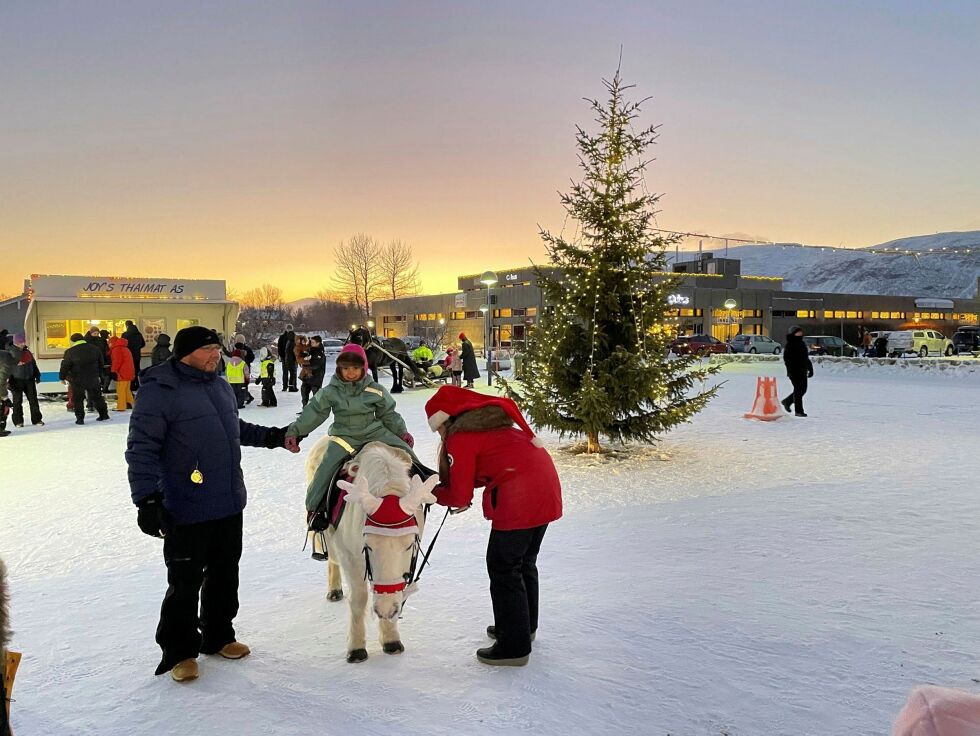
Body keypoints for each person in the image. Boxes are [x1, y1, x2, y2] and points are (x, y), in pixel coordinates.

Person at [125, 326, 299, 683]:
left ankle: (219, 635)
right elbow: (141, 448)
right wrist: (146, 500)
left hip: (227, 499)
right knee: (185, 583)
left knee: (225, 574)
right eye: (208, 350)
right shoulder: (161, 391)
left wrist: (272, 437)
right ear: (187, 352)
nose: (216, 356)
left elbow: (232, 428)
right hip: (184, 504)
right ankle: (180, 652)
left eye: (217, 349)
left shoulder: (219, 386)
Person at [423, 386, 562, 667]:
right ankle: (522, 627)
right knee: (523, 564)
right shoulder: (496, 428)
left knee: (503, 567)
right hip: (545, 493)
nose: (440, 435)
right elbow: (487, 466)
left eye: (438, 428)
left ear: (446, 420)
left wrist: (428, 492)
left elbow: (460, 495)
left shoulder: (462, 438)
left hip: (519, 500)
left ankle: (513, 646)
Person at [284, 344, 419, 516]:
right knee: (326, 467)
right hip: (344, 436)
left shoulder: (375, 389)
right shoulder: (330, 392)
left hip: (374, 432)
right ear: (339, 368)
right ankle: (314, 508)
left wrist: (402, 432)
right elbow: (315, 412)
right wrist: (295, 431)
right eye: (345, 368)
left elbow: (388, 413)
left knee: (405, 452)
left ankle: (422, 488)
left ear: (364, 367)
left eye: (356, 368)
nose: (351, 372)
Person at [59, 333, 109, 424]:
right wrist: (99, 374)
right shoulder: (95, 349)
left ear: (73, 341)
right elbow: (101, 363)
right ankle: (103, 415)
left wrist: (62, 377)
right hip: (92, 377)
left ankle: (80, 419)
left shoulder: (70, 352)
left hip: (77, 379)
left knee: (78, 399)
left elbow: (65, 366)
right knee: (97, 397)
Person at [8, 334, 43, 428]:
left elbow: (33, 364)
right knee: (17, 401)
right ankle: (18, 421)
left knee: (33, 400)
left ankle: (37, 419)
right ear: (15, 343)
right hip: (16, 380)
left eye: (23, 342)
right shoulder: (11, 352)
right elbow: (6, 367)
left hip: (29, 379)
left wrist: (37, 375)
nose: (23, 344)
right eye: (20, 342)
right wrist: (8, 381)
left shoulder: (27, 352)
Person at [781, 326, 813, 417]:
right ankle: (799, 411)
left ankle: (787, 401)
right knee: (799, 390)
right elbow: (787, 360)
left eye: (800, 332)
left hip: (803, 370)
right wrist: (790, 371)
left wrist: (810, 369)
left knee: (802, 389)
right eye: (798, 332)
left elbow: (805, 358)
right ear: (793, 333)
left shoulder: (802, 343)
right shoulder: (790, 344)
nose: (800, 334)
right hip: (795, 371)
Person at [0, 341, 24, 438]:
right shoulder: (8, 362)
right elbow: (1, 381)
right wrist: (5, 398)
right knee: (2, 407)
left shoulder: (5, 355)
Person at [109, 335, 137, 412]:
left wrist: (113, 371)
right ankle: (132, 404)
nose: (109, 345)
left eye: (109, 343)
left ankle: (121, 406)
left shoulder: (117, 349)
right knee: (127, 390)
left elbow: (117, 361)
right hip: (129, 372)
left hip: (122, 373)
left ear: (113, 342)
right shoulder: (125, 348)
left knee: (120, 390)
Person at [300, 336, 326, 409]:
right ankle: (305, 409)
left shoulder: (320, 353)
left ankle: (316, 411)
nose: (311, 343)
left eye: (313, 342)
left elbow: (317, 365)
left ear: (318, 343)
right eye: (310, 342)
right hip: (307, 376)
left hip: (316, 377)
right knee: (304, 393)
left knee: (316, 396)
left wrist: (306, 364)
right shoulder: (309, 350)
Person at [122, 321, 146, 391]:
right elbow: (143, 344)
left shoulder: (125, 335)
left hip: (128, 356)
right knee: (137, 369)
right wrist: (137, 347)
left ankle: (131, 385)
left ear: (126, 326)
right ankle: (138, 384)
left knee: (129, 370)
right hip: (137, 355)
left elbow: (123, 344)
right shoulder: (139, 334)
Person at [277, 324, 298, 392]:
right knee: (293, 372)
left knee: (286, 373)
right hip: (292, 358)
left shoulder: (282, 337)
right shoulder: (295, 337)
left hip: (287, 358)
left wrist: (282, 356)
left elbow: (279, 348)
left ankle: (286, 386)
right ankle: (292, 386)